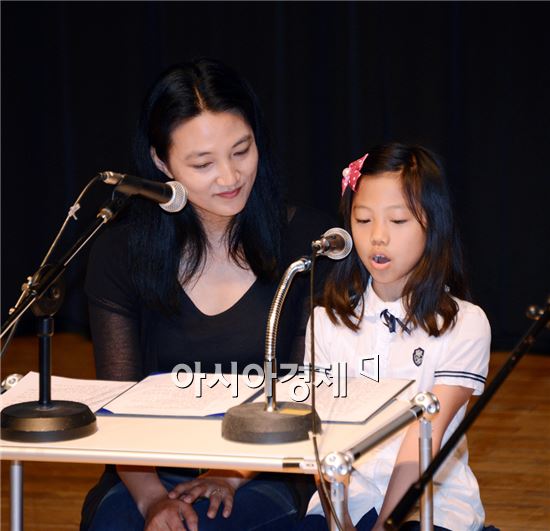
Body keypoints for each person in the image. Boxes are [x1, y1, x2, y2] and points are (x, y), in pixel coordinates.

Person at [81, 58, 334, 531]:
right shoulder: (120, 251)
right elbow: (117, 402)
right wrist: (152, 498)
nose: (229, 176)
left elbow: (302, 392)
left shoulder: (310, 241)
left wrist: (228, 473)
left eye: (242, 150)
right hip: (146, 468)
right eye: (202, 163)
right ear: (161, 161)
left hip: (267, 467)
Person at [298, 143, 493, 530]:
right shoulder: (325, 320)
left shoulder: (465, 323)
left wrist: (384, 525)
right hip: (341, 502)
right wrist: (342, 520)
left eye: (398, 221)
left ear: (432, 225)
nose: (378, 238)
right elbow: (321, 435)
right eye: (363, 220)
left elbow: (423, 441)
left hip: (431, 506)